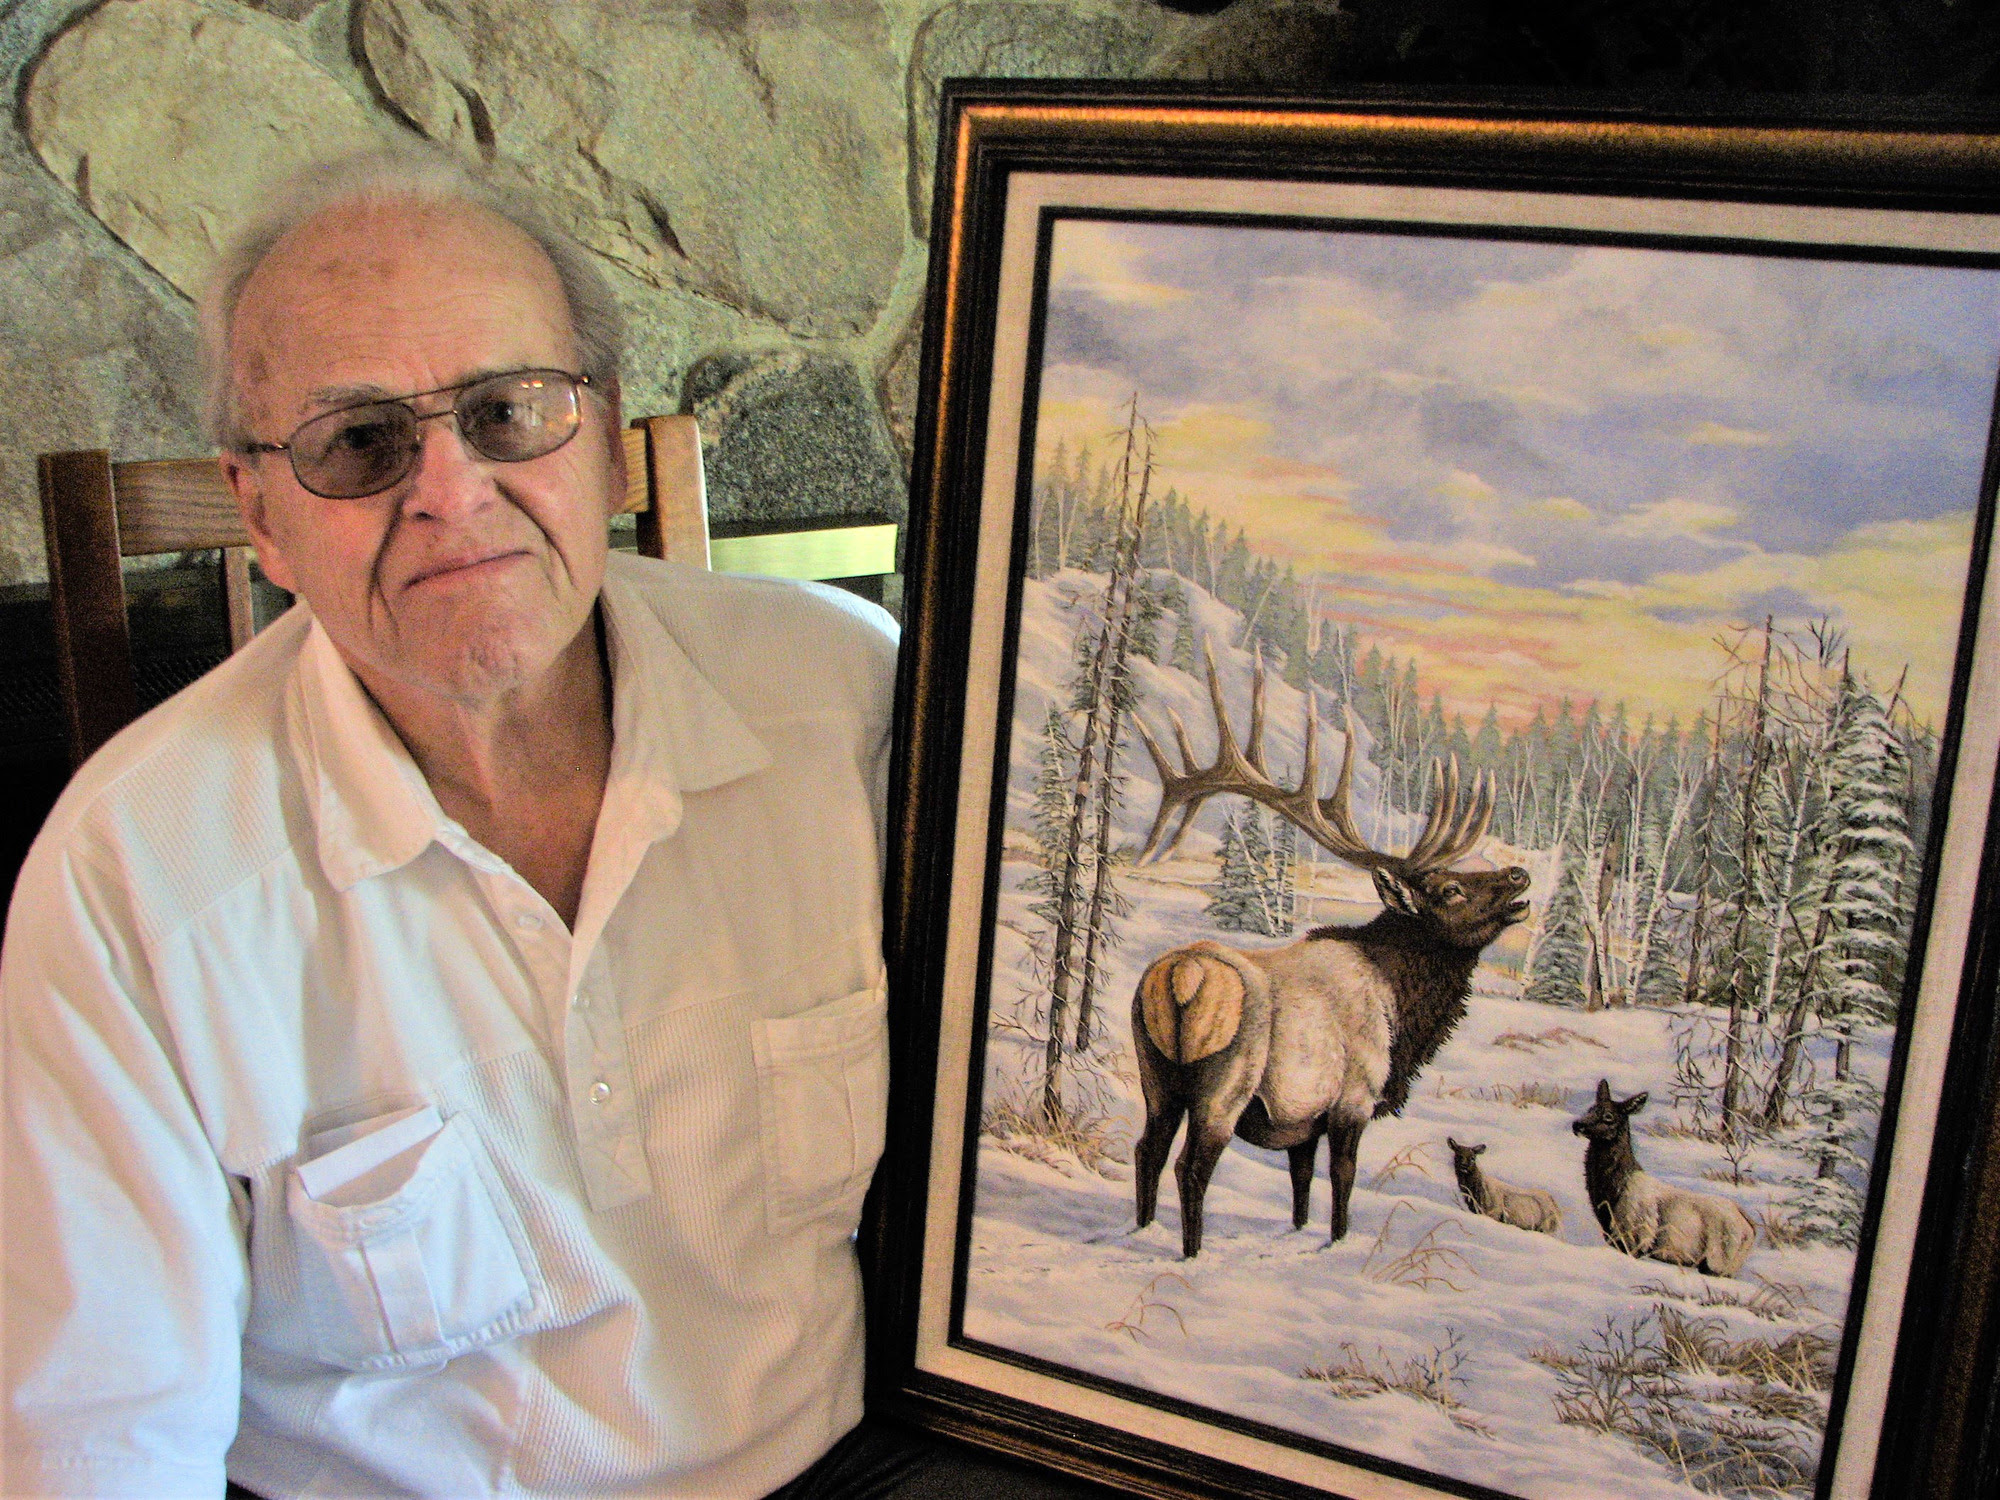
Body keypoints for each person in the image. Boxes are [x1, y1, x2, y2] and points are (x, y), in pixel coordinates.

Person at [1, 150, 904, 1498]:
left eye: (507, 410)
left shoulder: (848, 698)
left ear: (604, 439)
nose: (448, 491)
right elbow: (103, 1438)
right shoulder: (130, 879)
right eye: (358, 443)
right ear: (260, 514)